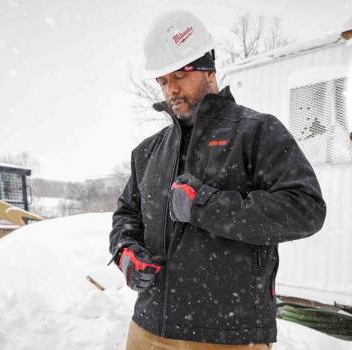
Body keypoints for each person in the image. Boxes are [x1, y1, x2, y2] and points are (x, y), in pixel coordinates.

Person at [108, 10, 326, 350]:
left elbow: (305, 209)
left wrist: (205, 205)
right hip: (149, 329)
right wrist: (125, 251)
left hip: (228, 336)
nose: (172, 89)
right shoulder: (148, 152)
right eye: (163, 81)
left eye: (180, 74)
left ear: (209, 70)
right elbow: (126, 215)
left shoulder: (255, 131)